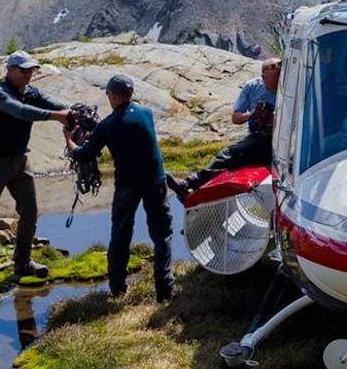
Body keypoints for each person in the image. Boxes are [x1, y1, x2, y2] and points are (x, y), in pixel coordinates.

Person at [0, 52, 74, 293]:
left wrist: (71, 112)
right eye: (24, 70)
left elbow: (54, 104)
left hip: (20, 160)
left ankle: (22, 263)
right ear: (10, 70)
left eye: (31, 69)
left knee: (30, 211)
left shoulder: (32, 91)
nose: (29, 74)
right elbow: (21, 111)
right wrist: (56, 117)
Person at [68, 74, 170, 299]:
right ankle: (165, 291)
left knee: (121, 234)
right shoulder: (147, 113)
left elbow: (85, 154)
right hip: (156, 180)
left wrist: (70, 141)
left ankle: (117, 289)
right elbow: (129, 127)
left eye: (109, 95)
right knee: (162, 235)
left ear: (113, 96)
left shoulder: (108, 126)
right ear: (131, 93)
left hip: (127, 185)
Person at [169, 57, 279, 197]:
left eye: (279, 76)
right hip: (255, 139)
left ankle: (190, 183)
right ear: (263, 76)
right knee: (231, 159)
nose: (277, 81)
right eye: (273, 76)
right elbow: (236, 118)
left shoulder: (289, 90)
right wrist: (252, 114)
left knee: (229, 154)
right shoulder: (252, 87)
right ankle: (194, 191)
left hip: (275, 142)